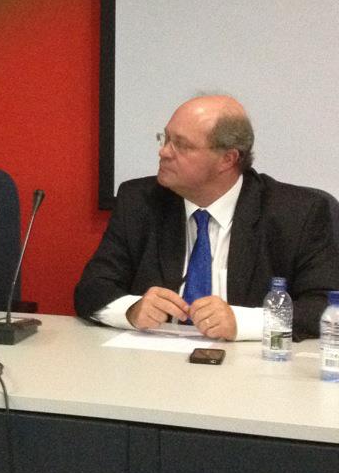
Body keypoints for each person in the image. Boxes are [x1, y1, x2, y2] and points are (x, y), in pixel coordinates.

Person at [75, 95, 339, 341]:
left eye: (181, 145)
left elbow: (326, 305)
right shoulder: (140, 201)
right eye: (165, 138)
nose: (164, 152)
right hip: (154, 362)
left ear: (227, 159)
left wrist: (240, 322)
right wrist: (132, 310)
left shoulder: (297, 212)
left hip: (251, 366)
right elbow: (91, 289)